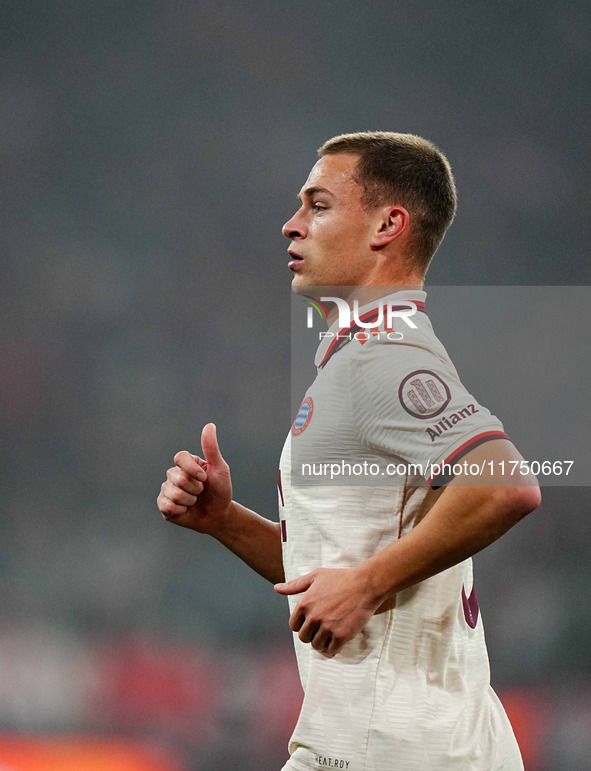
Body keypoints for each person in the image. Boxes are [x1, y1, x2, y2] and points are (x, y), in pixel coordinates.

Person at [157, 132, 541, 770]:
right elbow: (333, 573)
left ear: (389, 225)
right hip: (437, 736)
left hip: (380, 744)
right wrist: (225, 521)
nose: (291, 224)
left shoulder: (384, 356)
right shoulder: (372, 354)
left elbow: (503, 484)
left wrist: (365, 584)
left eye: (319, 205)